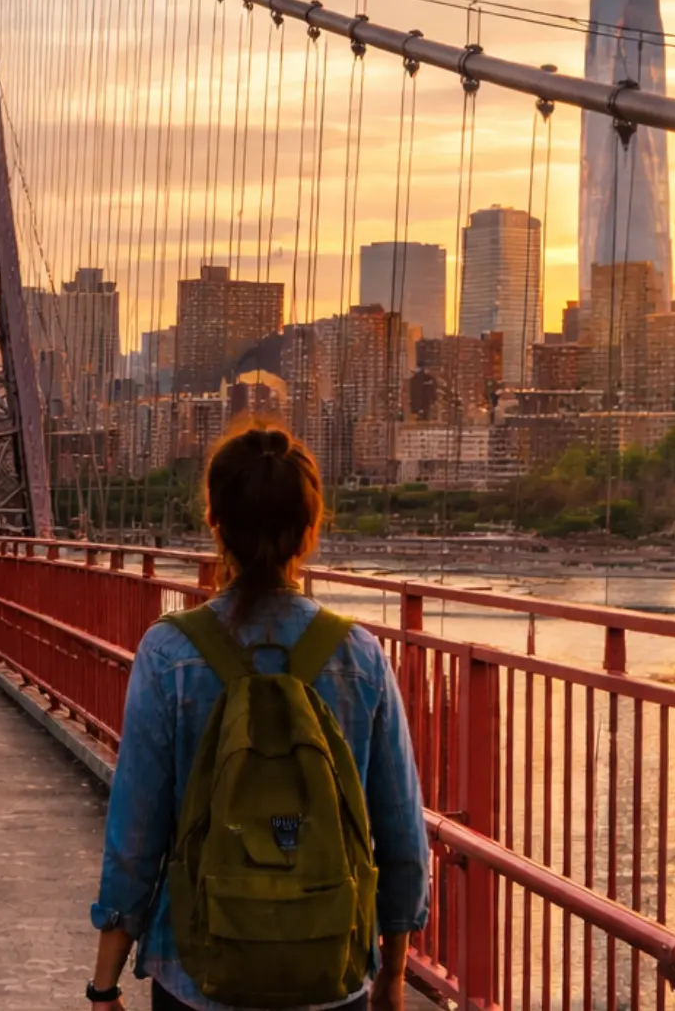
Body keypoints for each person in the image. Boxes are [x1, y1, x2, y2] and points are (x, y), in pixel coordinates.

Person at [86, 422, 428, 1011]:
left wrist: (104, 984)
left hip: (199, 971)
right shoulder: (361, 657)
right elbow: (400, 832)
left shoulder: (169, 654)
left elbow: (136, 834)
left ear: (213, 521)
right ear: (311, 529)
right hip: (330, 971)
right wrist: (392, 976)